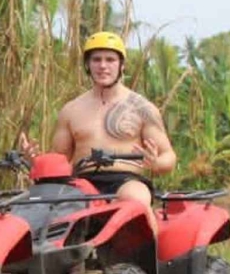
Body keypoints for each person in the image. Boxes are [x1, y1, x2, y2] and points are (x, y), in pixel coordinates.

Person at [19, 30, 176, 215]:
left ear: (122, 65)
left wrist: (156, 163)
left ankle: (150, 234)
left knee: (136, 199)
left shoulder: (143, 109)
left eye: (110, 60)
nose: (103, 66)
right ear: (88, 65)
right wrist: (35, 160)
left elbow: (169, 157)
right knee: (44, 208)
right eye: (96, 60)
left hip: (127, 181)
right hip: (81, 183)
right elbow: (60, 160)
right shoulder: (71, 110)